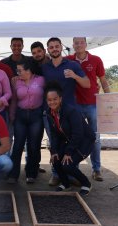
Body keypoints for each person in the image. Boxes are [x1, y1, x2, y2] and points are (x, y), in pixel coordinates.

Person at [42, 37, 90, 186]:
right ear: (48, 50)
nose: (54, 49)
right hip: (51, 113)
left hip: (70, 113)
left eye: (57, 46)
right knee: (55, 142)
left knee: (72, 143)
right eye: (51, 47)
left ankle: (71, 171)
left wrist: (74, 76)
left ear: (61, 47)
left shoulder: (72, 65)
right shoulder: (45, 67)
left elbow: (87, 84)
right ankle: (57, 174)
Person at [66, 37, 110, 181]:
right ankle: (75, 168)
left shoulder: (96, 60)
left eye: (81, 43)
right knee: (76, 137)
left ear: (86, 44)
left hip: (92, 104)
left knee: (94, 138)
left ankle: (96, 169)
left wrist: (109, 100)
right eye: (76, 43)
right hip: (75, 105)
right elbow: (53, 60)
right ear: (73, 45)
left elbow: (103, 80)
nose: (79, 45)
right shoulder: (68, 59)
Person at [44, 81, 96, 196]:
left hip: (84, 141)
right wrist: (54, 151)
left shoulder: (71, 111)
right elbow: (54, 134)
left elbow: (78, 133)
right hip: (69, 141)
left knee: (68, 165)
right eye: (49, 100)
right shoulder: (48, 113)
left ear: (60, 99)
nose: (52, 102)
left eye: (55, 99)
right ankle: (66, 184)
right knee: (56, 160)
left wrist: (68, 152)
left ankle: (86, 183)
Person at [7, 59, 45, 184]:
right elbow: (13, 100)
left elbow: (46, 97)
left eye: (20, 70)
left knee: (34, 146)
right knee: (18, 145)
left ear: (29, 70)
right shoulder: (16, 82)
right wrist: (12, 116)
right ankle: (13, 174)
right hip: (21, 116)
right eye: (17, 70)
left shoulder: (40, 80)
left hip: (36, 116)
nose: (18, 73)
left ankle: (31, 173)